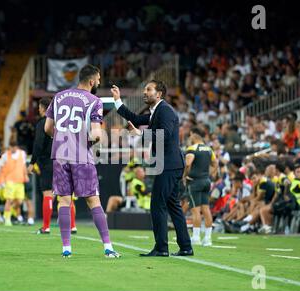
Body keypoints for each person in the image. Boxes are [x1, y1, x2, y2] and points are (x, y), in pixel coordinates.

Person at [44, 64, 120, 258]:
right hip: (80, 155)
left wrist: (62, 138)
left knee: (63, 200)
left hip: (60, 153)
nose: (99, 82)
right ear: (92, 81)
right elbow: (95, 134)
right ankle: (108, 247)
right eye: (99, 80)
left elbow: (47, 128)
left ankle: (66, 249)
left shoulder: (58, 97)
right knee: (93, 200)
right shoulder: (94, 101)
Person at [111, 80, 193, 257]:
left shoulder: (165, 110)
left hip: (169, 164)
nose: (145, 92)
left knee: (157, 205)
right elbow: (135, 118)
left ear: (159, 94)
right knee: (173, 205)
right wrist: (117, 101)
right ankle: (186, 246)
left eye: (149, 89)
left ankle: (162, 248)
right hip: (170, 164)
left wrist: (140, 133)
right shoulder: (157, 111)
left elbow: (164, 135)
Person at [29, 97, 77, 234]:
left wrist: (32, 162)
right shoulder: (63, 123)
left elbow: (38, 144)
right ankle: (73, 225)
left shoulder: (42, 123)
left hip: (48, 162)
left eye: (39, 107)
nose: (38, 110)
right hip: (63, 161)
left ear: (44, 108)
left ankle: (46, 227)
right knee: (65, 195)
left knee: (48, 194)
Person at [183, 127, 218, 246]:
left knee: (195, 210)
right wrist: (210, 174)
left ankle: (196, 237)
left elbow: (188, 163)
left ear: (193, 136)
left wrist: (184, 176)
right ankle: (208, 239)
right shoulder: (209, 149)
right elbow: (215, 163)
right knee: (206, 209)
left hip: (194, 182)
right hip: (206, 181)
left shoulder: (192, 148)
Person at [1, 141, 29, 226]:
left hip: (19, 180)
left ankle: (6, 214)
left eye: (14, 147)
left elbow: (24, 165)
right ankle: (7, 219)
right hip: (9, 180)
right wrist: (2, 180)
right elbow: (1, 168)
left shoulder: (22, 153)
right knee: (9, 200)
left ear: (17, 147)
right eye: (11, 147)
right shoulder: (5, 155)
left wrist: (26, 175)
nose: (12, 149)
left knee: (19, 201)